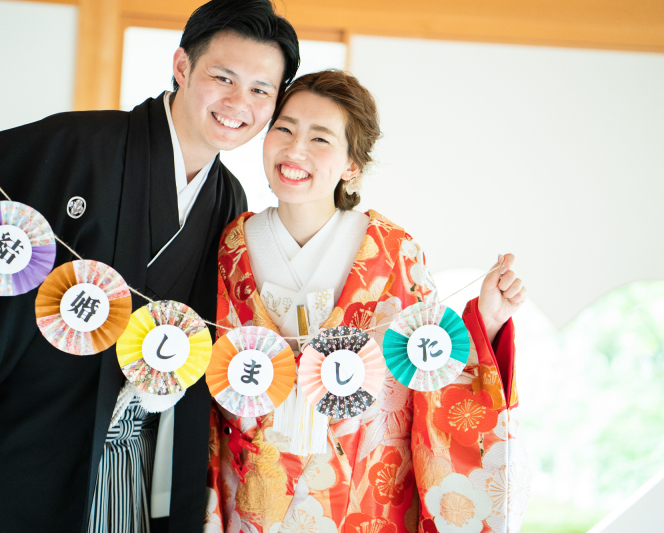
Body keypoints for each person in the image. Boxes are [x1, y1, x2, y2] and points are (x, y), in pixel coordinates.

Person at [0, 2, 299, 532]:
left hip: (137, 454)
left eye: (261, 90)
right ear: (183, 67)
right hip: (30, 436)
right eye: (224, 77)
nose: (239, 102)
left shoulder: (228, 198)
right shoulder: (74, 144)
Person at [207, 70, 530, 532]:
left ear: (352, 165)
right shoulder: (230, 247)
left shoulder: (393, 251)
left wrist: (490, 322)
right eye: (284, 128)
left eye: (320, 138)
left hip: (365, 502)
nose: (295, 150)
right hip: (254, 497)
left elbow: (433, 372)